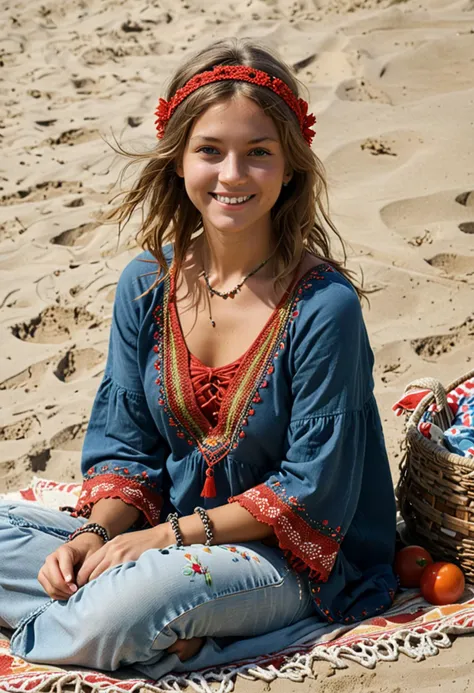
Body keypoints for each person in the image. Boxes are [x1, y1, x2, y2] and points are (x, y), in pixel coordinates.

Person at [0, 37, 397, 678]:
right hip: (169, 540)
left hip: (289, 560)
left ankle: (118, 627)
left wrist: (159, 541)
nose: (233, 175)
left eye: (259, 153)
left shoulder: (326, 306)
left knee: (129, 606)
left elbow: (310, 489)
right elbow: (127, 447)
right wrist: (94, 536)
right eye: (210, 151)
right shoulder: (146, 284)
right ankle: (128, 627)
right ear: (179, 160)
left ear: (290, 165)